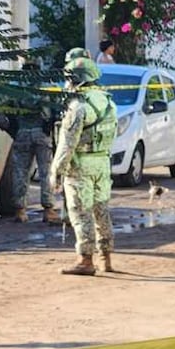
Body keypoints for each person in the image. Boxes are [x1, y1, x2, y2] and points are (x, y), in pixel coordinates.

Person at [49, 49, 118, 275]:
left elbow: (67, 142)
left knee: (80, 212)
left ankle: (85, 260)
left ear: (74, 79)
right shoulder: (108, 101)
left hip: (80, 165)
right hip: (102, 163)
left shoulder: (78, 106)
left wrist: (56, 171)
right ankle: (106, 258)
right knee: (101, 210)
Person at [8, 63, 58, 224]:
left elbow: (0, 112)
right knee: (46, 172)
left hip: (22, 132)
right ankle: (48, 209)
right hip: (42, 134)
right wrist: (50, 127)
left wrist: (12, 129)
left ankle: (20, 210)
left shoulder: (13, 89)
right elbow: (58, 112)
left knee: (20, 172)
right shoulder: (49, 87)